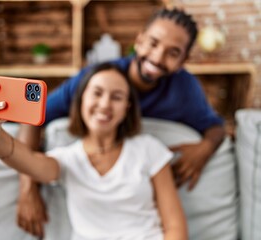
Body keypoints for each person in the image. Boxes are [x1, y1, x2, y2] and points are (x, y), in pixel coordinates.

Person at [16, 7, 226, 238]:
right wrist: (28, 188)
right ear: (139, 39)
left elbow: (216, 127)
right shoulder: (99, 79)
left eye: (172, 53)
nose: (157, 58)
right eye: (153, 43)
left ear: (183, 60)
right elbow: (33, 115)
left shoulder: (184, 89)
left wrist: (204, 149)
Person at [0, 63, 188, 240]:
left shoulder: (148, 148)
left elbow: (175, 227)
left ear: (127, 107)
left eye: (117, 97)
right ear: (81, 100)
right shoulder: (68, 159)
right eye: (97, 93)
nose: (105, 104)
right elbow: (27, 161)